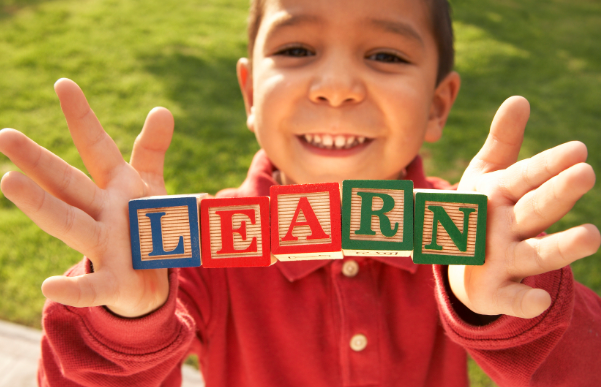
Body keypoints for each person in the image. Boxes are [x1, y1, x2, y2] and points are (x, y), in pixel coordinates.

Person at [1, 0, 600, 385]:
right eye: (296, 49)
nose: (336, 87)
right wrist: (124, 315)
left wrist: (513, 301)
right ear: (250, 96)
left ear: (438, 105)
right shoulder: (197, 247)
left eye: (385, 54)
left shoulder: (475, 238)